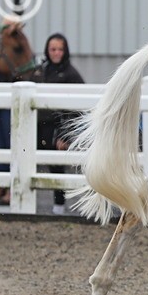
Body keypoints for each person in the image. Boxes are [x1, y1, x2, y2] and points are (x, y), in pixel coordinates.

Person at [37, 33, 84, 212]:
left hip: (59, 127)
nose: (56, 53)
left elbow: (77, 109)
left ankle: (59, 205)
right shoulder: (42, 71)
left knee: (57, 165)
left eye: (60, 49)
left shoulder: (71, 74)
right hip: (41, 125)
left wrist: (66, 135)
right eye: (53, 49)